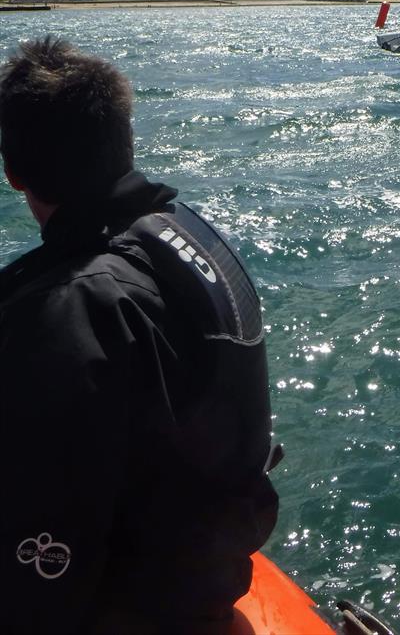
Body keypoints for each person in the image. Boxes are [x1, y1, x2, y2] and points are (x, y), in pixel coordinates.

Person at [0, 37, 279, 634]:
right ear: (121, 144)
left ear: (12, 171)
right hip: (208, 568)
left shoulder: (72, 306)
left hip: (141, 607)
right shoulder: (182, 234)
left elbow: (42, 550)